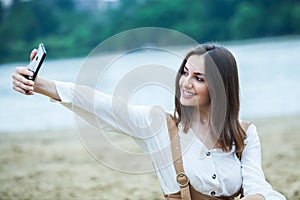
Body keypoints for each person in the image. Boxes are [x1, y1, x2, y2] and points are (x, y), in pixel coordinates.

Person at [12, 44, 286, 200]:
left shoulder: (245, 133)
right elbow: (101, 103)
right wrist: (38, 84)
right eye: (185, 72)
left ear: (220, 86)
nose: (185, 84)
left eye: (198, 78)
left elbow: (256, 185)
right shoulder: (159, 126)